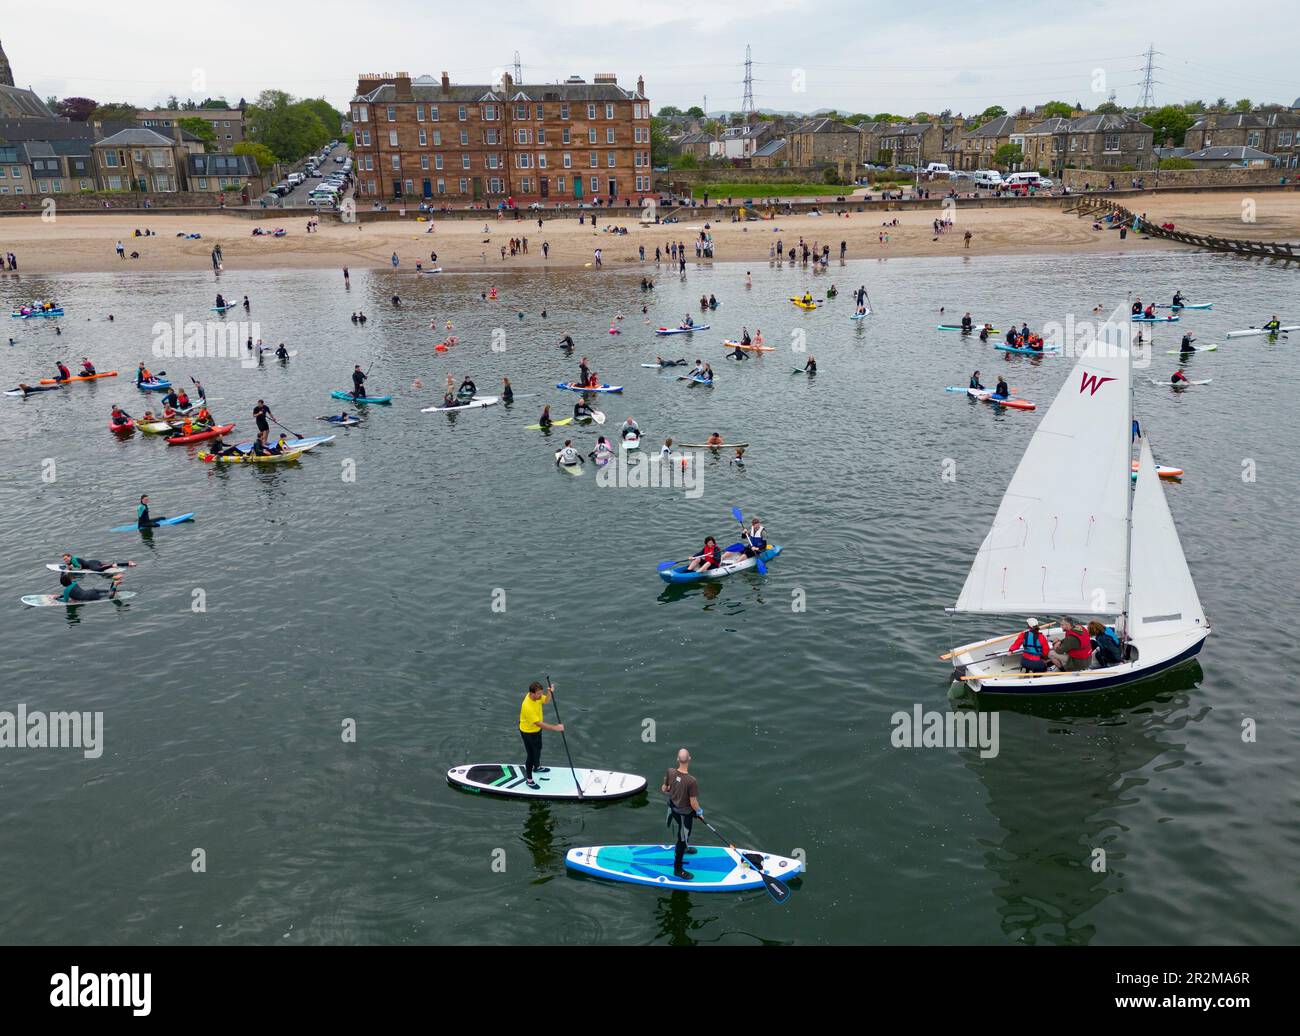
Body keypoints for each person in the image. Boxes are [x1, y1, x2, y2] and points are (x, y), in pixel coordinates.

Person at [662, 749, 703, 880]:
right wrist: (699, 812)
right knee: (682, 838)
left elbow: (664, 788)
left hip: (673, 810)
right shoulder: (691, 781)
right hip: (685, 815)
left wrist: (673, 788)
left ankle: (685, 847)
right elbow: (693, 802)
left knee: (683, 835)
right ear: (689, 759)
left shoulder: (670, 771)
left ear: (678, 759)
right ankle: (678, 869)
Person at [519, 680, 563, 790]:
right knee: (531, 756)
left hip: (536, 730)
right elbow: (539, 723)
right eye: (538, 693)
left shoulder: (537, 697)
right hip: (528, 733)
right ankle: (529, 780)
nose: (540, 695)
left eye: (541, 692)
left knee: (538, 749)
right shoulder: (527, 706)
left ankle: (537, 767)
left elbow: (546, 701)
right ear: (531, 693)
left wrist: (550, 693)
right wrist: (556, 728)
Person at [58, 571, 123, 603]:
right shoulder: (74, 583)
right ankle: (113, 584)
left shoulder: (66, 590)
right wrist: (61, 595)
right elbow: (73, 593)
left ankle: (114, 585)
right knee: (108, 592)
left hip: (89, 597)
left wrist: (56, 599)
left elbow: (66, 600)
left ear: (63, 584)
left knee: (110, 596)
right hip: (91, 591)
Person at [60, 553, 136, 574]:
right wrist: (69, 566)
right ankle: (128, 563)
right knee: (105, 565)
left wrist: (73, 569)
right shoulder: (72, 560)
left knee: (99, 570)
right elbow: (70, 565)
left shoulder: (73, 560)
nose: (65, 560)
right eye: (64, 559)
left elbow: (80, 567)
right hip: (93, 561)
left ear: (70, 556)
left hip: (91, 565)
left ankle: (112, 565)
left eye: (66, 558)